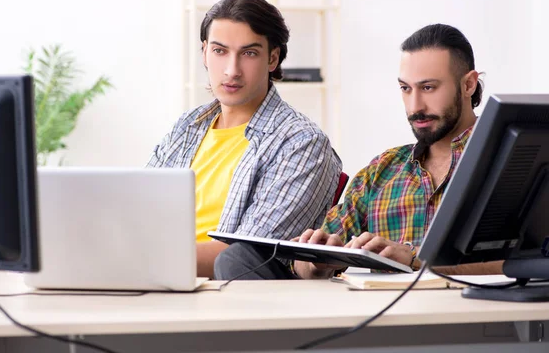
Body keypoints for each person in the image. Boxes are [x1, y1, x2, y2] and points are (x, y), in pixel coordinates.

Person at [214, 23, 503, 280]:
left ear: (468, 84)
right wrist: (318, 261)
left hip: (471, 319)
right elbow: (305, 262)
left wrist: (416, 259)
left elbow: (532, 261)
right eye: (405, 89)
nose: (415, 106)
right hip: (382, 327)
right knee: (237, 258)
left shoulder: (507, 159)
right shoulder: (383, 170)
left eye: (428, 88)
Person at [147, 0, 342, 278]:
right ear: (204, 53)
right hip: (155, 278)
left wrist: (142, 257)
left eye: (249, 53)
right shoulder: (187, 126)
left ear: (272, 58)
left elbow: (245, 256)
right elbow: (140, 212)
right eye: (219, 51)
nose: (232, 70)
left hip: (228, 294)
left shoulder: (301, 143)